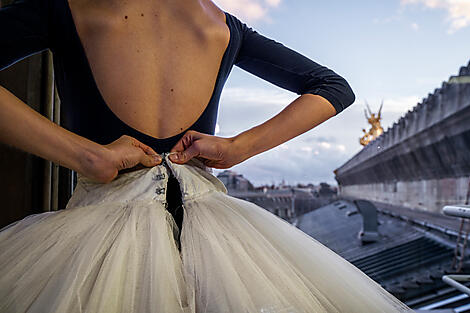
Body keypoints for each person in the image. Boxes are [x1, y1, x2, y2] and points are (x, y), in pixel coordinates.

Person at [0, 0, 415, 312]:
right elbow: (333, 87)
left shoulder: (69, 8)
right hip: (219, 235)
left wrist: (88, 156)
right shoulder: (220, 24)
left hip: (98, 233)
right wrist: (238, 148)